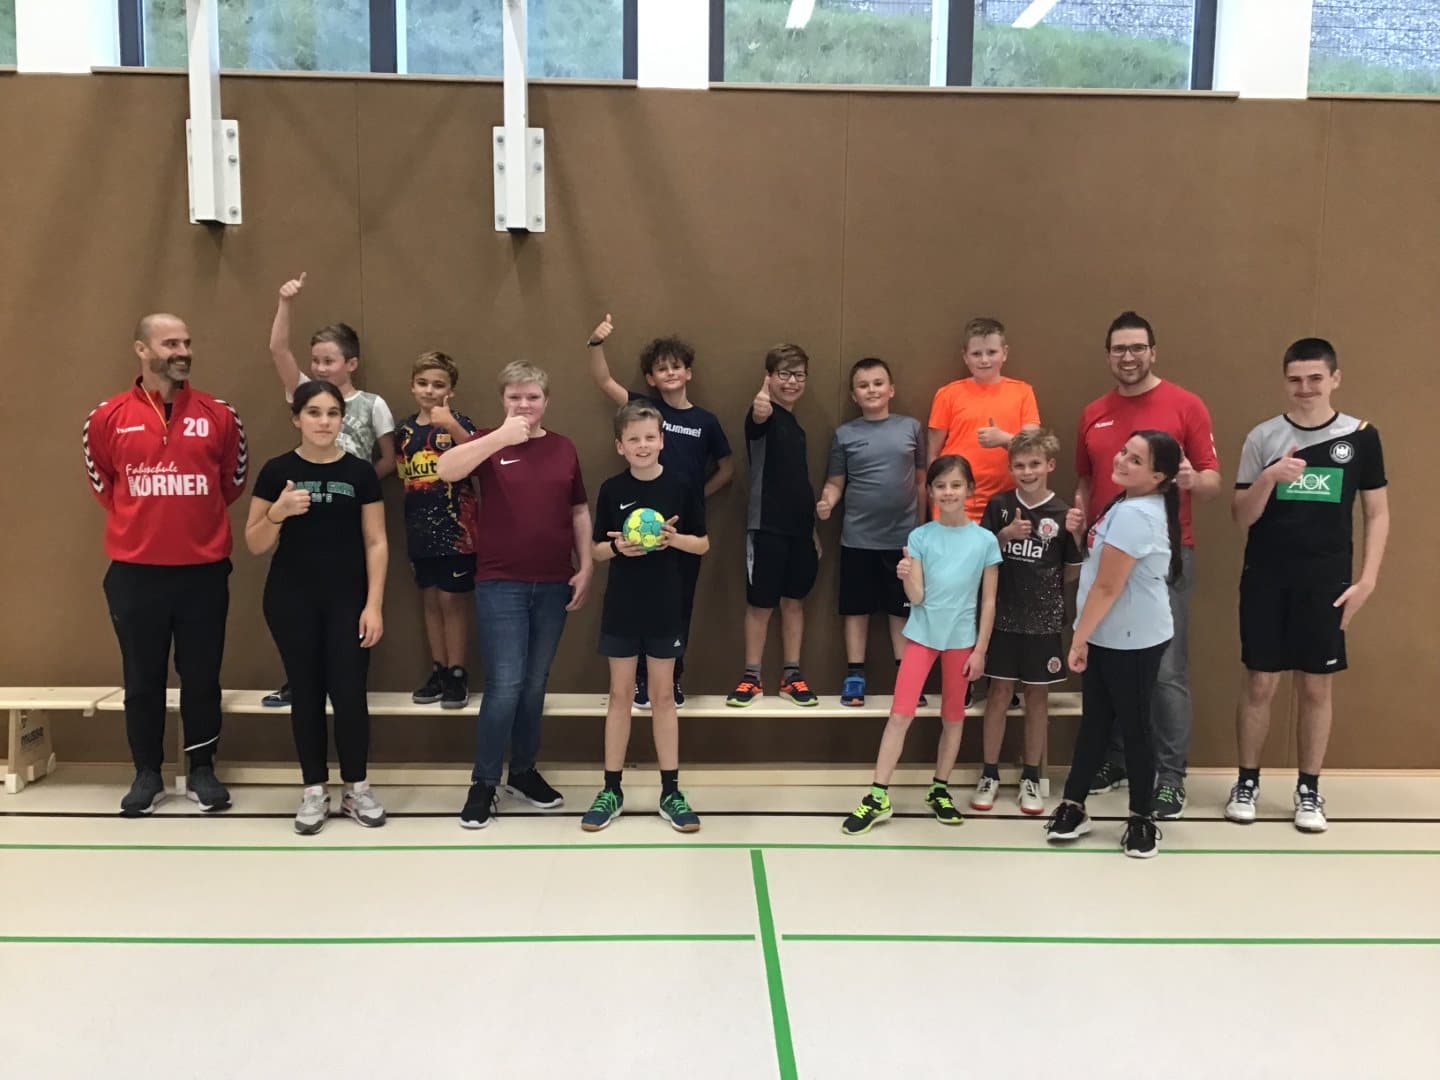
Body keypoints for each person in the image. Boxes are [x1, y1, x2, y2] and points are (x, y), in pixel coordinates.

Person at [83, 313, 247, 816]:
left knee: (202, 677)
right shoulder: (106, 417)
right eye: (170, 343)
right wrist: (147, 520)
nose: (182, 351)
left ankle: (202, 770)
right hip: (136, 573)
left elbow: (231, 482)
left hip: (202, 572)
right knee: (142, 680)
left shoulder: (221, 415)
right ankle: (147, 773)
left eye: (186, 342)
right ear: (142, 350)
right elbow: (105, 485)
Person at [1226, 338, 1388, 833]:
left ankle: (1309, 790)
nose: (1305, 388)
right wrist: (1269, 478)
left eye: (1315, 378)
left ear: (1334, 379)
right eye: (1295, 379)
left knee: (1316, 686)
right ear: (1285, 382)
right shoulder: (1263, 437)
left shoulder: (1361, 437)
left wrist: (1367, 580)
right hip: (1266, 576)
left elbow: (1377, 513)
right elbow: (1241, 516)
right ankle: (1247, 783)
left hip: (1326, 580)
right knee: (1260, 682)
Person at [1075, 311, 1220, 820]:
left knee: (1165, 671)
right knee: (1111, 664)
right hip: (1106, 555)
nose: (1129, 356)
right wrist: (1080, 519)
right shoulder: (1094, 412)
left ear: (1153, 351)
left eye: (1137, 347)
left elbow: (1211, 479)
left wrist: (1190, 480)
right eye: (1119, 348)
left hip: (1164, 559)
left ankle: (1170, 778)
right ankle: (1116, 761)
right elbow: (1086, 480)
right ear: (1108, 355)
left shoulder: (1186, 405)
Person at [437, 362, 594, 829]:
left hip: (553, 583)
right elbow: (447, 469)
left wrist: (586, 564)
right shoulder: (490, 441)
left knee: (534, 685)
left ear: (546, 401)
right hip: (500, 583)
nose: (523, 405)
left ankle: (522, 772)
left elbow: (579, 509)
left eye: (532, 397)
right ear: (502, 400)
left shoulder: (564, 448)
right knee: (504, 685)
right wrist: (501, 438)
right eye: (514, 397)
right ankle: (484, 782)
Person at [245, 381, 389, 835]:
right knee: (305, 694)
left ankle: (357, 788)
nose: (324, 421)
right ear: (297, 418)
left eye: (332, 413)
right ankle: (313, 790)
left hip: (349, 601)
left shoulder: (359, 472)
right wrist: (278, 512)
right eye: (314, 412)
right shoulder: (277, 471)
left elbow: (376, 541)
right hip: (291, 600)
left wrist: (374, 605)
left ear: (342, 419)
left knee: (349, 694)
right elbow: (254, 542)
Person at [841, 455, 1001, 836]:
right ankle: (878, 796)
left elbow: (990, 601)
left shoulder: (985, 541)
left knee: (953, 718)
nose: (948, 492)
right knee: (900, 715)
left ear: (969, 490)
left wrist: (980, 650)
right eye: (940, 486)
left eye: (956, 485)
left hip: (961, 643)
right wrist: (906, 575)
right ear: (930, 491)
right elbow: (917, 596)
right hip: (922, 638)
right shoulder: (920, 538)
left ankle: (939, 789)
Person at [1045, 430, 1183, 859]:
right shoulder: (1123, 504)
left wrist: (1078, 639)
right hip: (1106, 633)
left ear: (1158, 476)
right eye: (1124, 451)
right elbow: (1099, 567)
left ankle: (1141, 817)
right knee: (1095, 723)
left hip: (1134, 640)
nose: (1122, 460)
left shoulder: (1137, 514)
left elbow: (1108, 586)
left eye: (1136, 459)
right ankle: (1074, 805)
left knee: (1135, 727)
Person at [585, 314, 734, 709]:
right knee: (636, 603)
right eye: (661, 368)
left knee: (679, 604)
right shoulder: (645, 408)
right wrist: (596, 344)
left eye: (676, 366)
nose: (669, 373)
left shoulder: (705, 421)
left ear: (688, 372)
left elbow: (727, 469)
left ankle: (673, 678)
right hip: (636, 532)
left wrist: (695, 497)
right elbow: (604, 381)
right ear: (650, 378)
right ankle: (638, 680)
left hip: (681, 534)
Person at [261, 272, 395, 708]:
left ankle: (343, 685)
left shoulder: (372, 404)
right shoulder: (303, 392)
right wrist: (285, 303)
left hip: (351, 515)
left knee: (346, 613)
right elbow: (278, 349)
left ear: (350, 363)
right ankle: (300, 679)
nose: (320, 368)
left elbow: (389, 458)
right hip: (303, 513)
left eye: (329, 361)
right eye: (315, 360)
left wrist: (357, 487)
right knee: (300, 598)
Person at [580, 402, 710, 833]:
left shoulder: (681, 485)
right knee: (619, 695)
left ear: (662, 441)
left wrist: (673, 539)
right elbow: (596, 550)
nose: (642, 445)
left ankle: (671, 791)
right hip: (623, 605)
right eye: (633, 439)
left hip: (665, 604)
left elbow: (702, 544)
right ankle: (611, 790)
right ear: (620, 445)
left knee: (663, 696)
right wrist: (619, 548)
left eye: (649, 437)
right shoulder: (612, 489)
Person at [973, 428, 1084, 816]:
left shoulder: (1063, 513)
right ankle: (989, 773)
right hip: (1003, 619)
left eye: (1035, 463)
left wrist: (1076, 536)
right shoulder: (999, 505)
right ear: (1011, 468)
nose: (1027, 471)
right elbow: (980, 556)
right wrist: (1005, 536)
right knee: (998, 695)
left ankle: (1032, 776)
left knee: (1037, 698)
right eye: (1019, 465)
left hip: (1045, 623)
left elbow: (1071, 571)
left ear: (1049, 465)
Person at [815, 358, 926, 707]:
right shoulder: (844, 435)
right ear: (854, 395)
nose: (872, 390)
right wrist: (827, 501)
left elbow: (921, 482)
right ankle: (854, 675)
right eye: (863, 386)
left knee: (901, 610)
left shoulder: (911, 428)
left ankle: (906, 678)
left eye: (878, 383)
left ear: (891, 389)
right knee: (857, 609)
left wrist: (922, 530)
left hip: (903, 541)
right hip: (858, 540)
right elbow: (836, 482)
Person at [729, 344, 821, 707]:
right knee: (761, 604)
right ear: (768, 378)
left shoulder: (797, 429)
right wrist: (761, 407)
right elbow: (758, 416)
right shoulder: (762, 416)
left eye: (799, 375)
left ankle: (792, 676)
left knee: (794, 603)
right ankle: (751, 677)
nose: (792, 381)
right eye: (784, 374)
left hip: (800, 533)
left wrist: (812, 531)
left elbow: (798, 485)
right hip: (766, 528)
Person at [395, 352, 479, 710]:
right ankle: (439, 670)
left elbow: (477, 461)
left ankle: (458, 672)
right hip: (419, 531)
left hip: (457, 530)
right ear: (412, 386)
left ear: (451, 391)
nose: (430, 390)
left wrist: (451, 425)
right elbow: (404, 477)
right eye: (423, 383)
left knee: (451, 601)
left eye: (438, 384)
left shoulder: (460, 424)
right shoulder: (404, 432)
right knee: (429, 599)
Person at [927, 317, 1040, 523]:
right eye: (976, 354)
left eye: (992, 352)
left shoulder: (1022, 392)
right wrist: (935, 500)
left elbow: (1034, 449)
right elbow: (933, 455)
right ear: (965, 357)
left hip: (1009, 501)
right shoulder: (947, 394)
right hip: (957, 501)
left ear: (1005, 353)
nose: (984, 360)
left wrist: (1005, 439)